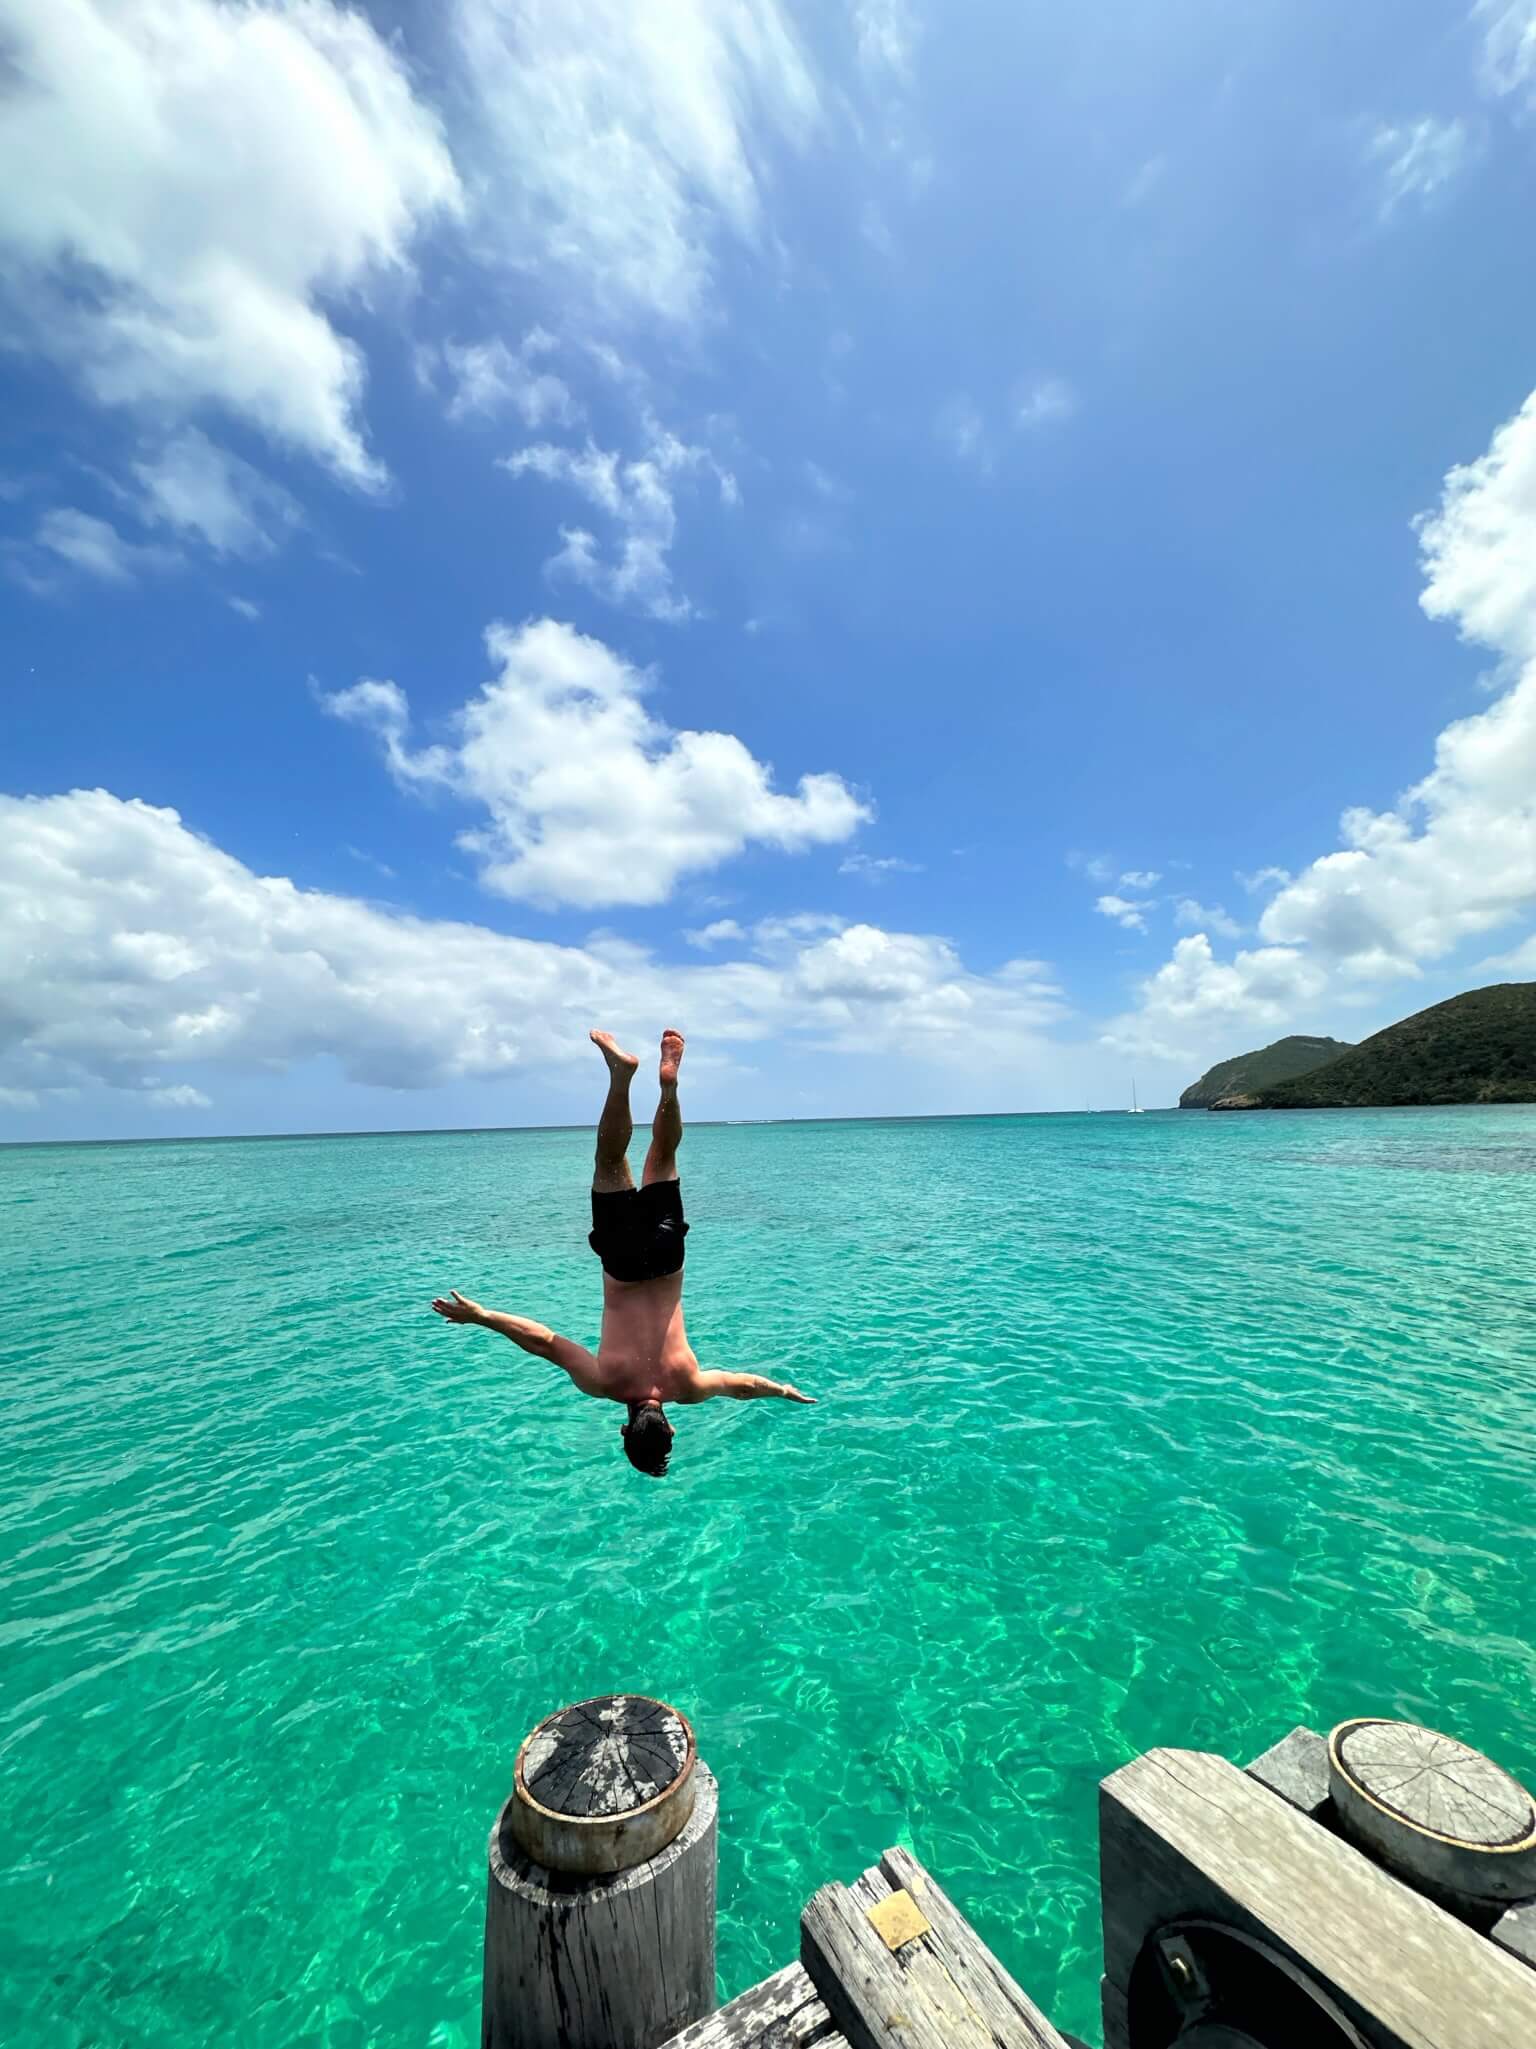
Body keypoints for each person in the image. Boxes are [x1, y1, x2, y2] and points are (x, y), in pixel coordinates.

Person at [432, 1029, 815, 1476]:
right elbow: (544, 1342)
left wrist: (784, 1391)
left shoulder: (688, 1385)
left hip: (668, 1260)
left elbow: (744, 1386)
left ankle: (668, 1085)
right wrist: (483, 1317)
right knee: (610, 1161)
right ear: (623, 1430)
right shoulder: (603, 1382)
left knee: (664, 1157)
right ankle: (620, 1075)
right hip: (621, 1263)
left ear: (670, 1430)